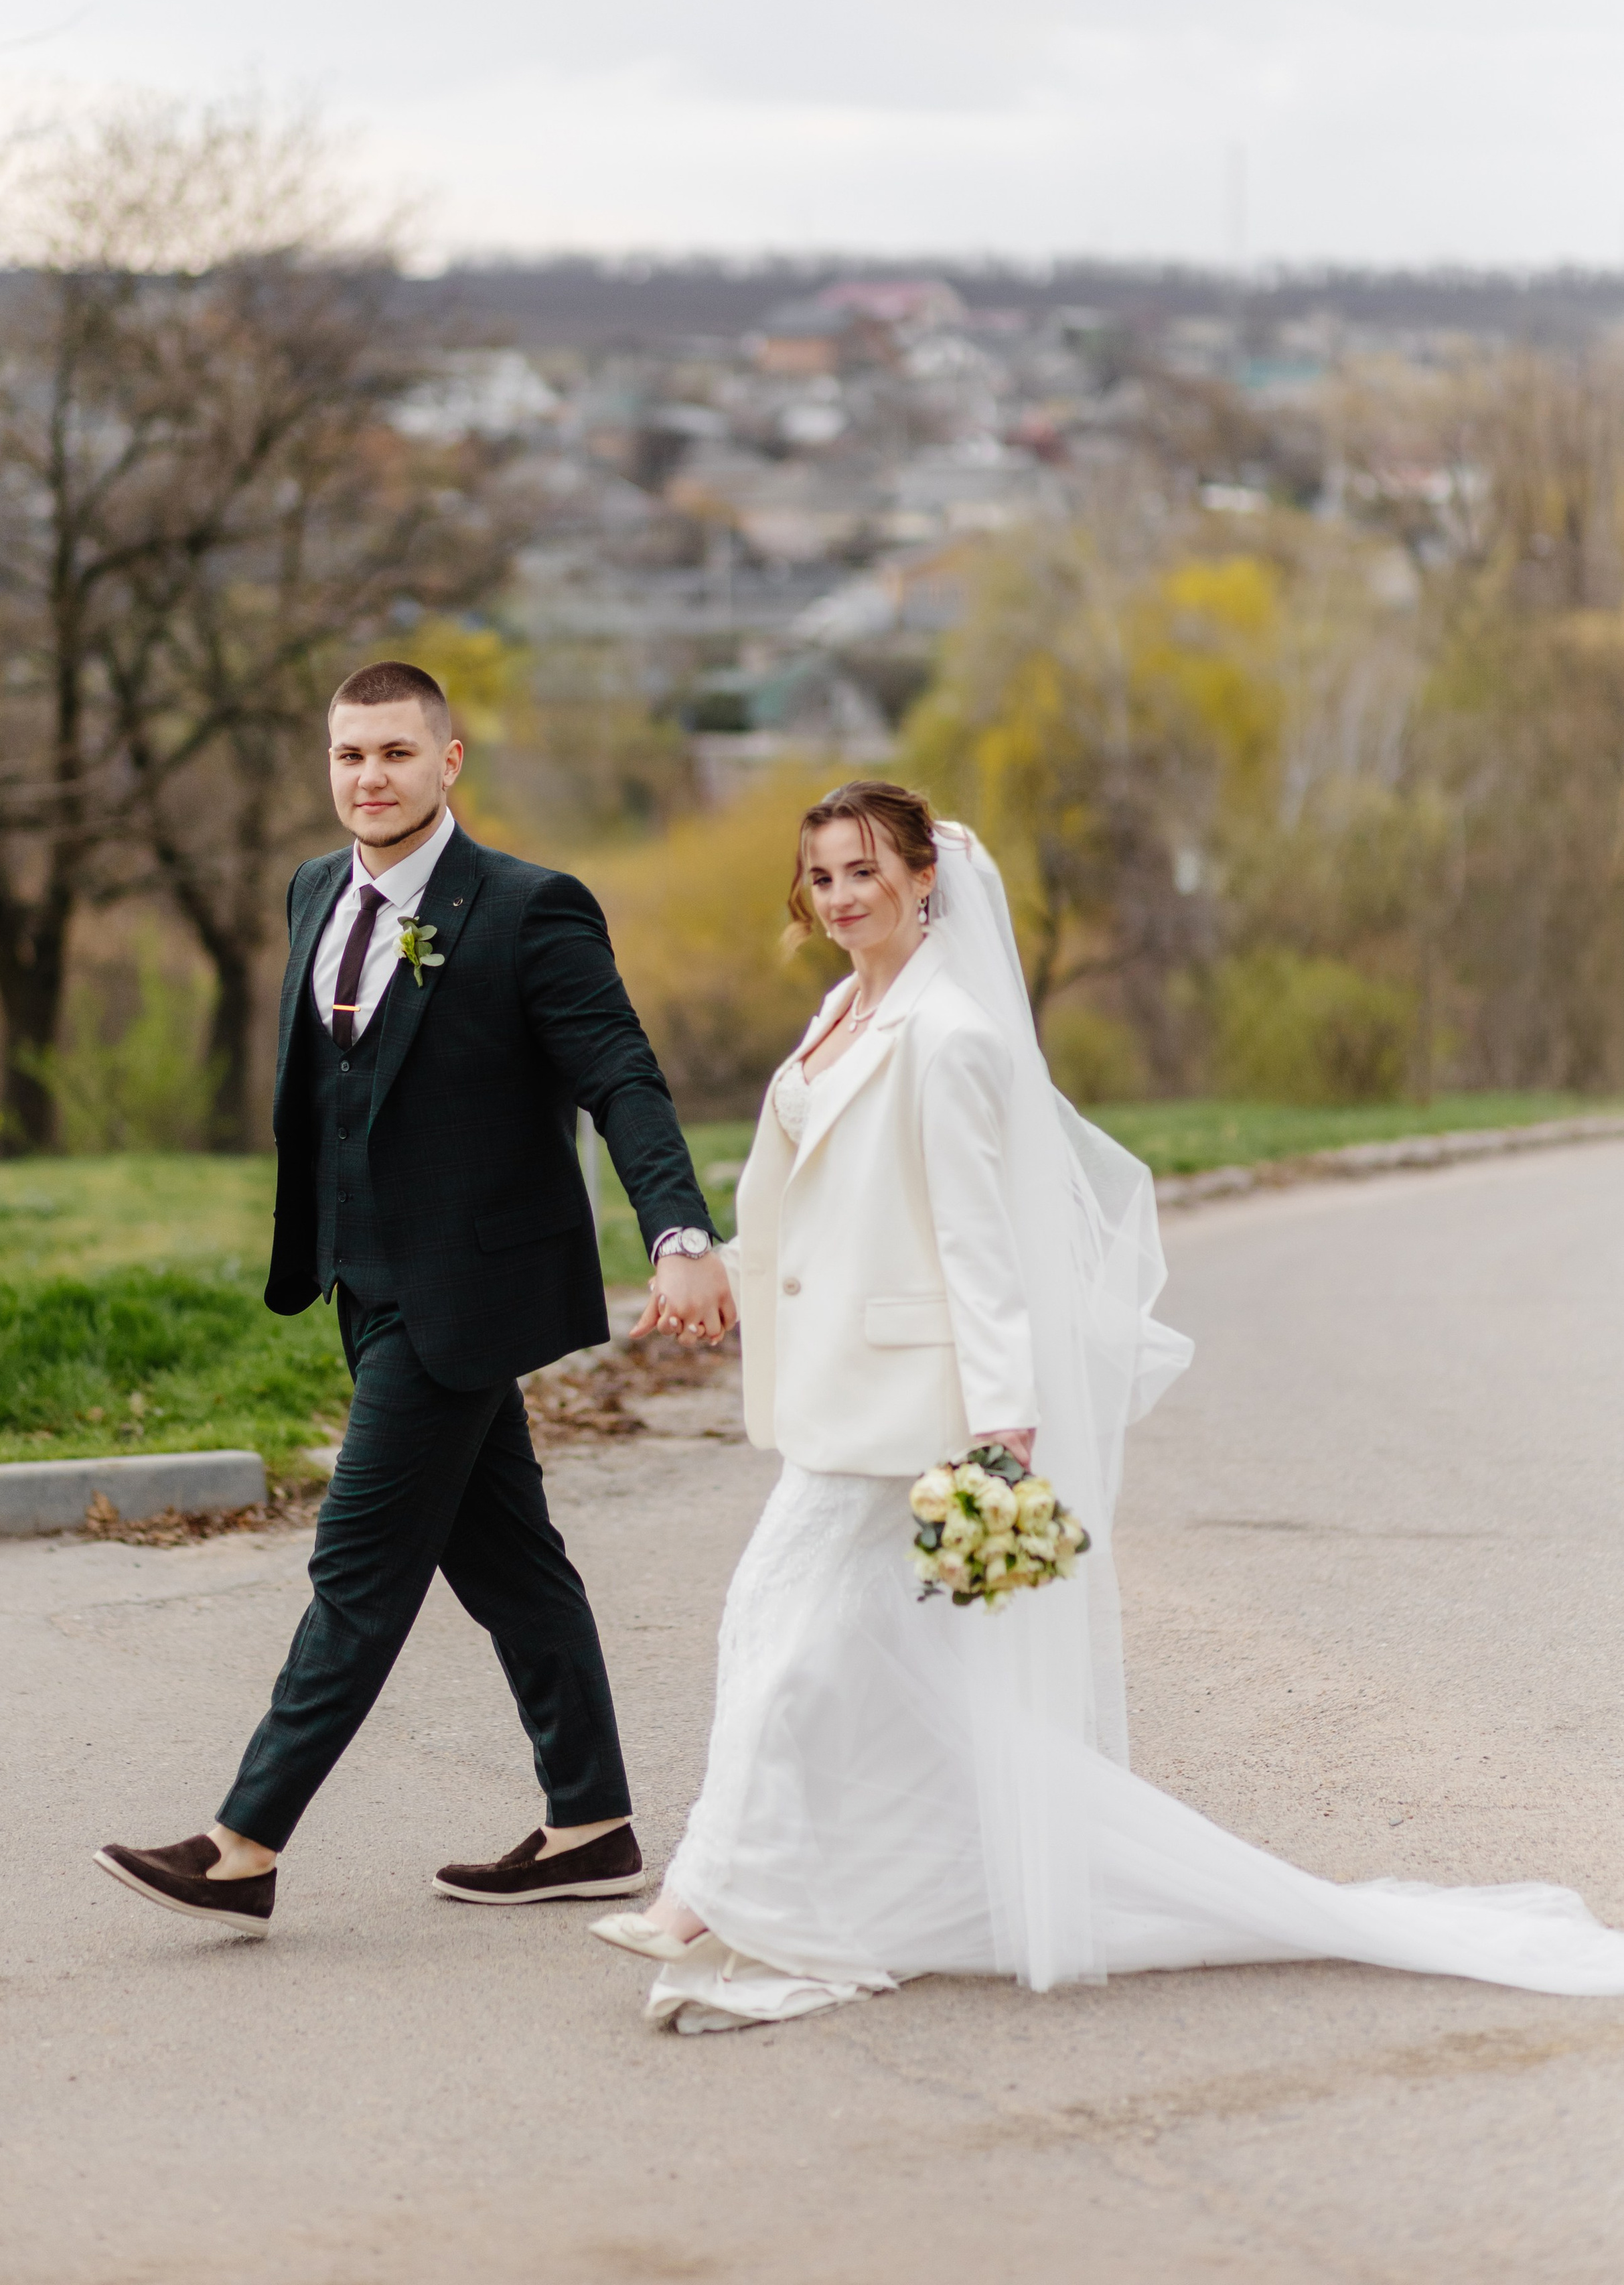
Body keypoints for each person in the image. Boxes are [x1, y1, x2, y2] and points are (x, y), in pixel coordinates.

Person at [592, 779, 1624, 2031]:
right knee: (831, 1647)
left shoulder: (951, 1036)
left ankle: (706, 1894)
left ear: (924, 877)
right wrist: (727, 1274)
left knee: (784, 1629)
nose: (843, 895)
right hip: (839, 1385)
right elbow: (820, 1198)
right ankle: (858, 1881)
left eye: (866, 870)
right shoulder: (840, 1013)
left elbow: (982, 1249)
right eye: (823, 875)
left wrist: (1003, 1428)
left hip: (914, 1401)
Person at [94, 661, 733, 1934]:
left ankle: (243, 1844)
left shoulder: (531, 908)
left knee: (359, 1563)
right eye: (350, 755)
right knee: (511, 1563)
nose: (370, 777)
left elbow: (621, 1075)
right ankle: (593, 1824)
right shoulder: (312, 889)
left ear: (448, 762)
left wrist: (677, 1231)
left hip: (467, 1290)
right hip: (362, 1280)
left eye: (395, 753)